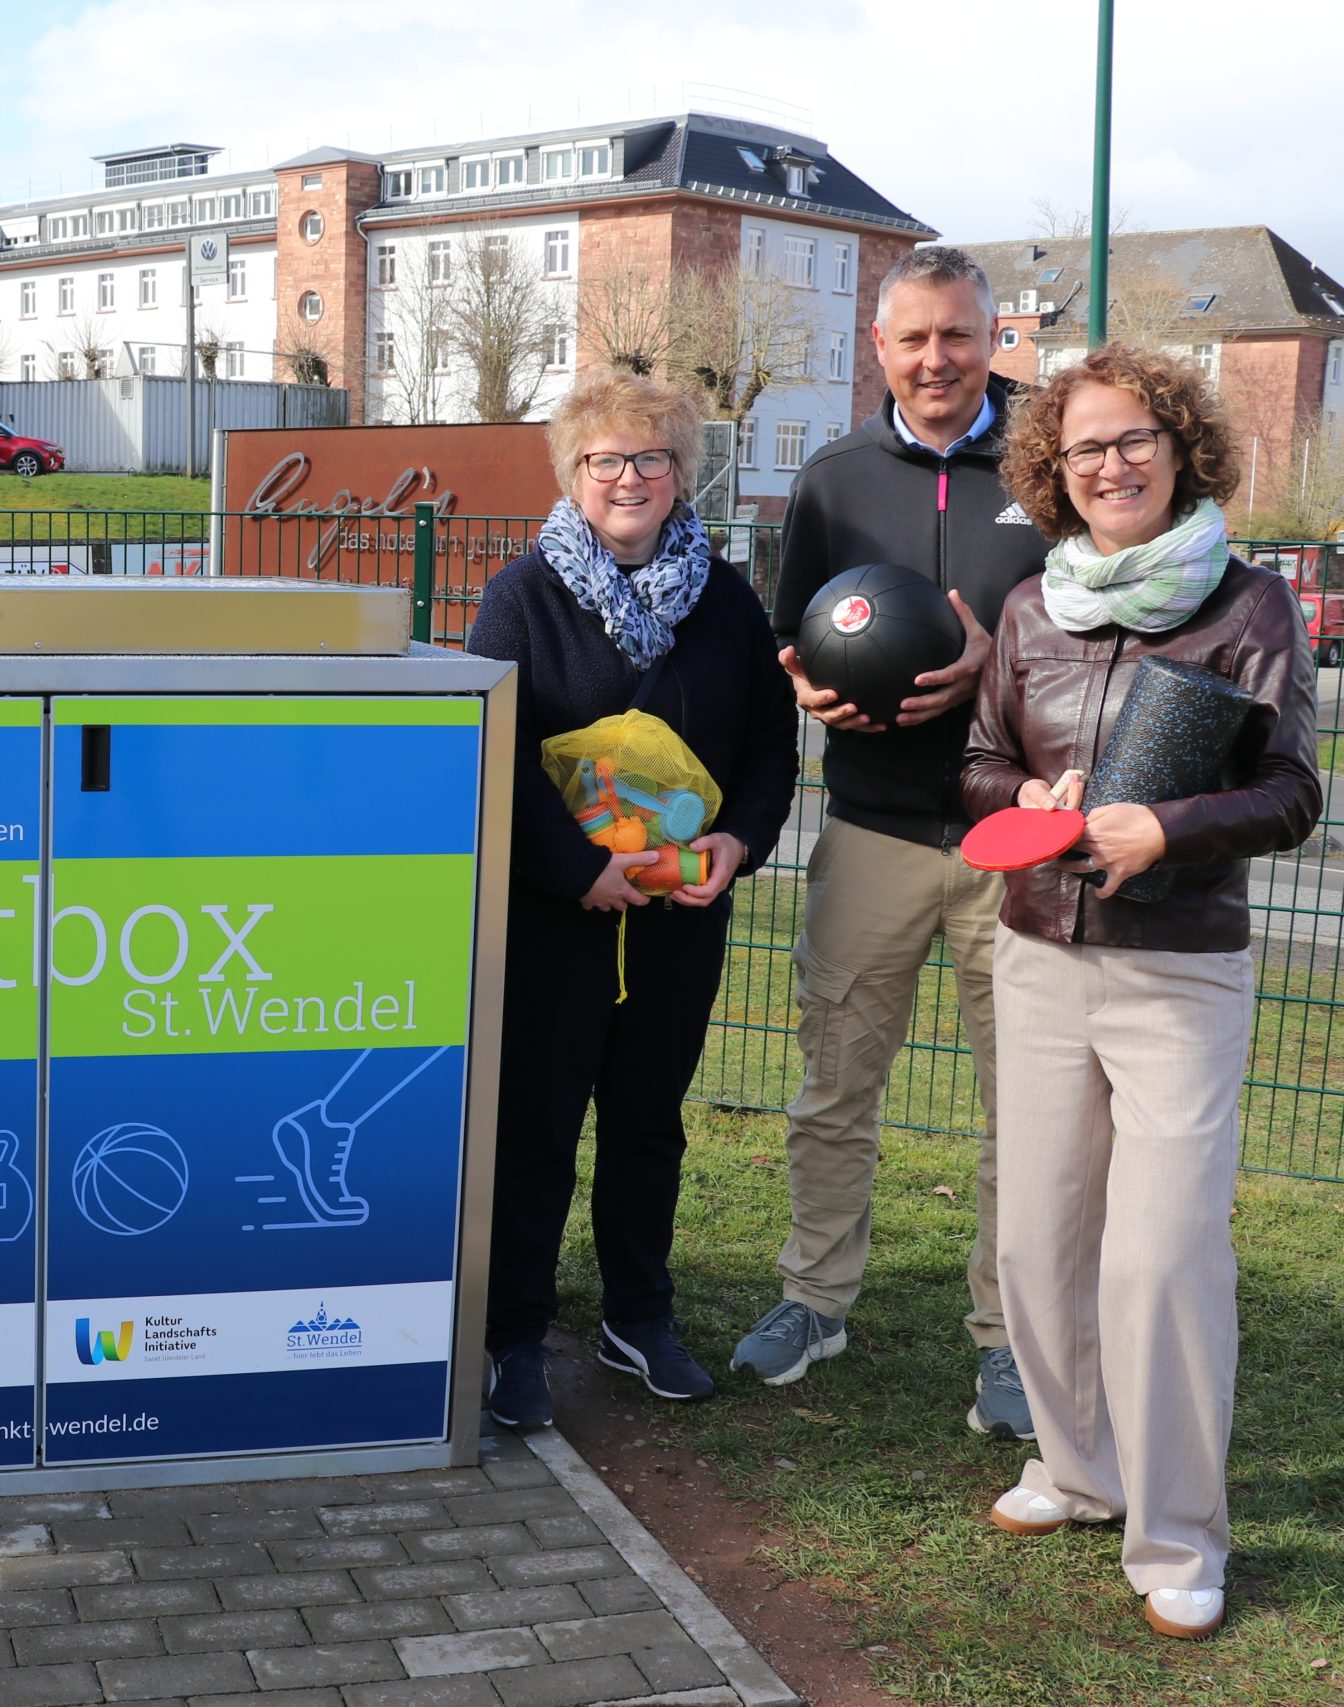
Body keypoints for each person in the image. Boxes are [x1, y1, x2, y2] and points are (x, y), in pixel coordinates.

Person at [962, 345, 1318, 1640]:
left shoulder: (1249, 605)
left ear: (1179, 448)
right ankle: (1077, 1470)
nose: (1110, 465)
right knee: (1035, 1242)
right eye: (1084, 447)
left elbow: (1292, 791)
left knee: (1161, 1255)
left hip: (1178, 968)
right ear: (1052, 470)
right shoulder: (1029, 607)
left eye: (1133, 440)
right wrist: (1028, 797)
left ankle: (1177, 1534)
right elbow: (981, 762)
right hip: (1039, 953)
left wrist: (1166, 828)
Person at [738, 247, 1050, 1439]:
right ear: (877, 345)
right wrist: (810, 686)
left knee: (1027, 1106)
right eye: (911, 337)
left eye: (957, 335)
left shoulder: (1049, 461)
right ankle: (813, 1299)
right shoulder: (831, 480)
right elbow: (794, 637)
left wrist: (991, 668)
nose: (935, 359)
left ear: (991, 338)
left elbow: (1095, 632)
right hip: (872, 825)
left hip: (1014, 833)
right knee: (834, 1080)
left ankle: (1009, 1338)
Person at [466, 371, 797, 1428]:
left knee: (649, 1125)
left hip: (676, 923)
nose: (628, 477)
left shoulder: (727, 600)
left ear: (680, 472)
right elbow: (498, 751)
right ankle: (511, 1335)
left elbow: (770, 742)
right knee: (534, 1130)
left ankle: (637, 1316)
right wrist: (575, 869)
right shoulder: (522, 597)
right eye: (603, 459)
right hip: (553, 919)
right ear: (573, 473)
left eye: (650, 457)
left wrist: (739, 841)